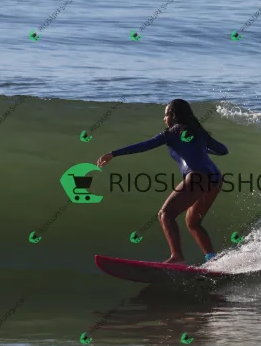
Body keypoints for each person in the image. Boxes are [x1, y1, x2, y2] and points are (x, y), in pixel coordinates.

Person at [96, 99, 229, 264]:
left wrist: (113, 154)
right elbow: (223, 150)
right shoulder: (199, 131)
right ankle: (212, 259)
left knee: (165, 214)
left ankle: (177, 257)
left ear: (173, 115)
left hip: (197, 177)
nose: (164, 118)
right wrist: (201, 149)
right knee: (193, 222)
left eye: (166, 115)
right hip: (215, 179)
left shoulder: (171, 133)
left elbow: (145, 145)